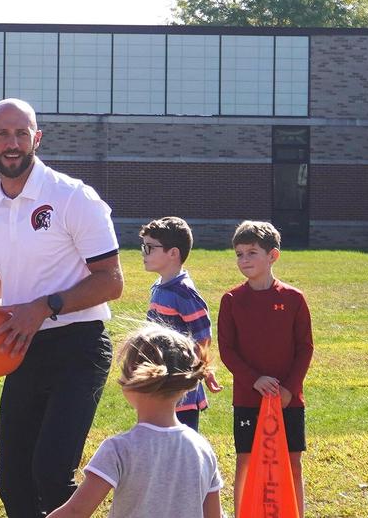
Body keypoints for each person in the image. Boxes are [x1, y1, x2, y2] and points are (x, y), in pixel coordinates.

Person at [0, 98, 124, 517]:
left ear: (37, 138)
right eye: (3, 134)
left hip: (79, 346)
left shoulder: (73, 197)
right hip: (20, 348)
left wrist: (44, 307)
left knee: (51, 474)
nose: (12, 143)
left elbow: (112, 281)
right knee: (13, 484)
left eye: (21, 133)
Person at [47, 324, 224, 518]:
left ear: (133, 377)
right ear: (184, 386)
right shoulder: (202, 449)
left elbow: (75, 511)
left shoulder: (119, 449)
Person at [217, 220, 313, 517]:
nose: (244, 260)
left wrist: (289, 389)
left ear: (273, 256)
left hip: (287, 399)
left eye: (252, 253)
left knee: (291, 461)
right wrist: (254, 380)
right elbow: (227, 351)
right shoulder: (232, 300)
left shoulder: (293, 299)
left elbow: (305, 348)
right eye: (239, 254)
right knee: (246, 459)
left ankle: (294, 511)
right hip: (248, 398)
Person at [139, 216, 223, 430]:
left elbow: (202, 335)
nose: (143, 253)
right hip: (160, 380)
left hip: (180, 387)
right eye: (143, 247)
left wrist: (201, 368)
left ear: (173, 253)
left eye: (150, 248)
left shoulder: (183, 293)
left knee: (180, 443)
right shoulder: (159, 286)